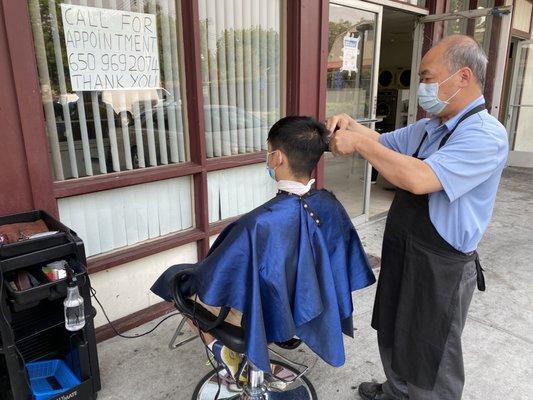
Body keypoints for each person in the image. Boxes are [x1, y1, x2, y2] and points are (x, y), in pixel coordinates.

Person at [327, 35, 509, 400]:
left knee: (431, 352)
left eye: (427, 78)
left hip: (441, 265)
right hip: (405, 248)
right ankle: (395, 392)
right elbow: (384, 141)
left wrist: (358, 145)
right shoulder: (431, 127)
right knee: (393, 327)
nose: (422, 87)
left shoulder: (485, 136)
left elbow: (419, 179)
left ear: (462, 76)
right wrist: (351, 126)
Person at [151, 116, 376, 380]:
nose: (267, 157)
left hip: (259, 310)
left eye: (268, 151)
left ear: (277, 157)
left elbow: (220, 276)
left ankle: (221, 347)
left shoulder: (258, 224)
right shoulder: (330, 204)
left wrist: (195, 276)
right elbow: (339, 264)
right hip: (302, 303)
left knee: (175, 278)